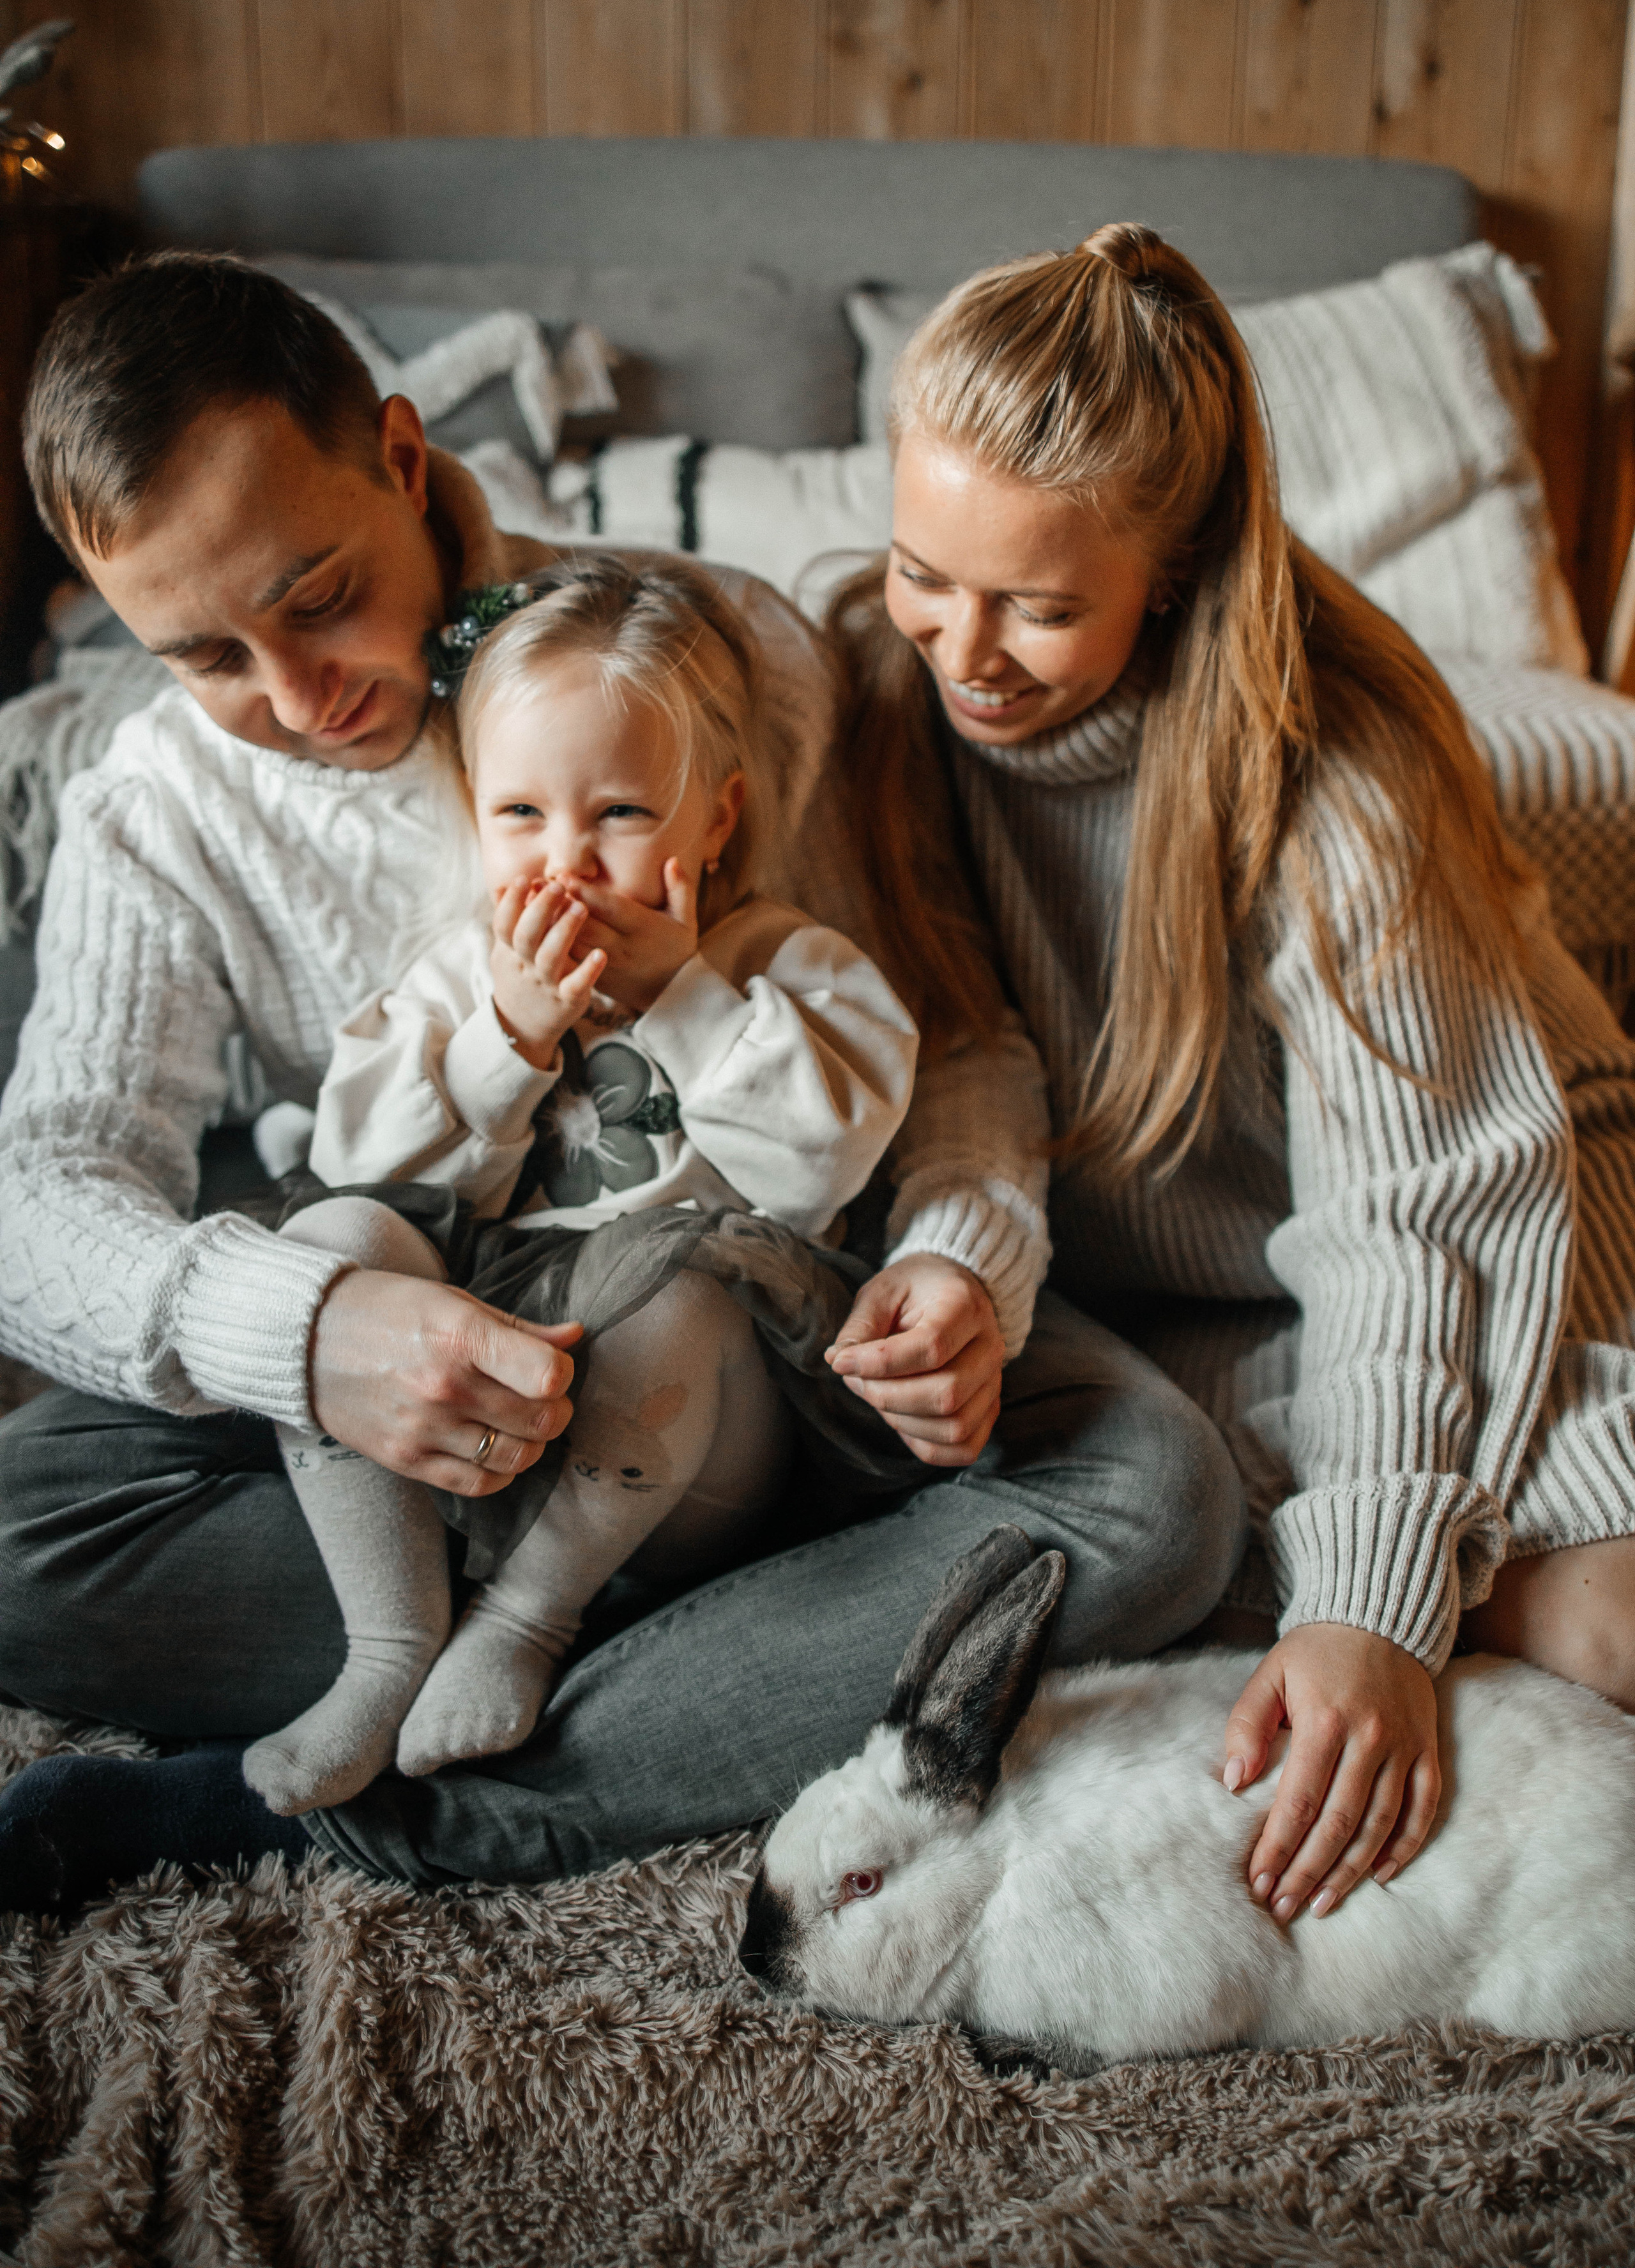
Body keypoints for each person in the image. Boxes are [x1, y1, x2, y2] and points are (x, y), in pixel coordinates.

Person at [0, 253, 1241, 1912]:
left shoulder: (721, 659)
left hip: (768, 1306)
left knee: (1155, 1495)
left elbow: (945, 1036)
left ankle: (351, 1796)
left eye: (315, 597)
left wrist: (962, 1261)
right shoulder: (157, 801)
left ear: (399, 451)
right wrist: (315, 1338)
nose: (297, 702)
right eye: (207, 658)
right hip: (434, 1333)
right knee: (22, 1530)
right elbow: (44, 1187)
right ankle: (685, 1631)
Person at [823, 220, 1635, 1937]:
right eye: (923, 571)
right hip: (1192, 1292)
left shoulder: (1337, 782)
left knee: (1600, 1618)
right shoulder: (867, 687)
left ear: (1174, 570)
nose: (962, 648)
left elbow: (1413, 1214)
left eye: (1040, 606)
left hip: (1489, 1228)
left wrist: (1375, 1602)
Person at [248, 556, 920, 1815]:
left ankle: (523, 1621)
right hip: (477, 1406)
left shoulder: (786, 967)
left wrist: (683, 995)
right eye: (520, 817)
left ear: (712, 821)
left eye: (617, 814)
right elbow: (371, 1173)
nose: (565, 862)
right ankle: (388, 1648)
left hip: (697, 1438)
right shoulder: (461, 974)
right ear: (475, 811)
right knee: (324, 1250)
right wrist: (503, 1043)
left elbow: (817, 1164)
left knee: (675, 1285)